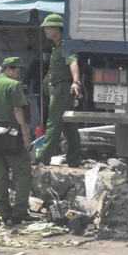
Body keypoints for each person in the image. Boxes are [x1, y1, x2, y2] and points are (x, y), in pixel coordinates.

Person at [0, 57, 33, 226]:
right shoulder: (13, 85)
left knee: (0, 177)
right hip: (13, 136)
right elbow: (18, 110)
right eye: (17, 71)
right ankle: (19, 213)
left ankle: (5, 214)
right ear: (9, 69)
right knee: (23, 173)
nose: (19, 75)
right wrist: (25, 134)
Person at [38, 14, 82, 167]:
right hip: (58, 88)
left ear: (56, 28)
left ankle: (43, 157)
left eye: (47, 27)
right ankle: (74, 159)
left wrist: (76, 81)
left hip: (62, 89)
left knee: (53, 123)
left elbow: (73, 62)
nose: (45, 31)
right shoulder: (57, 46)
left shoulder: (65, 45)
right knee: (68, 124)